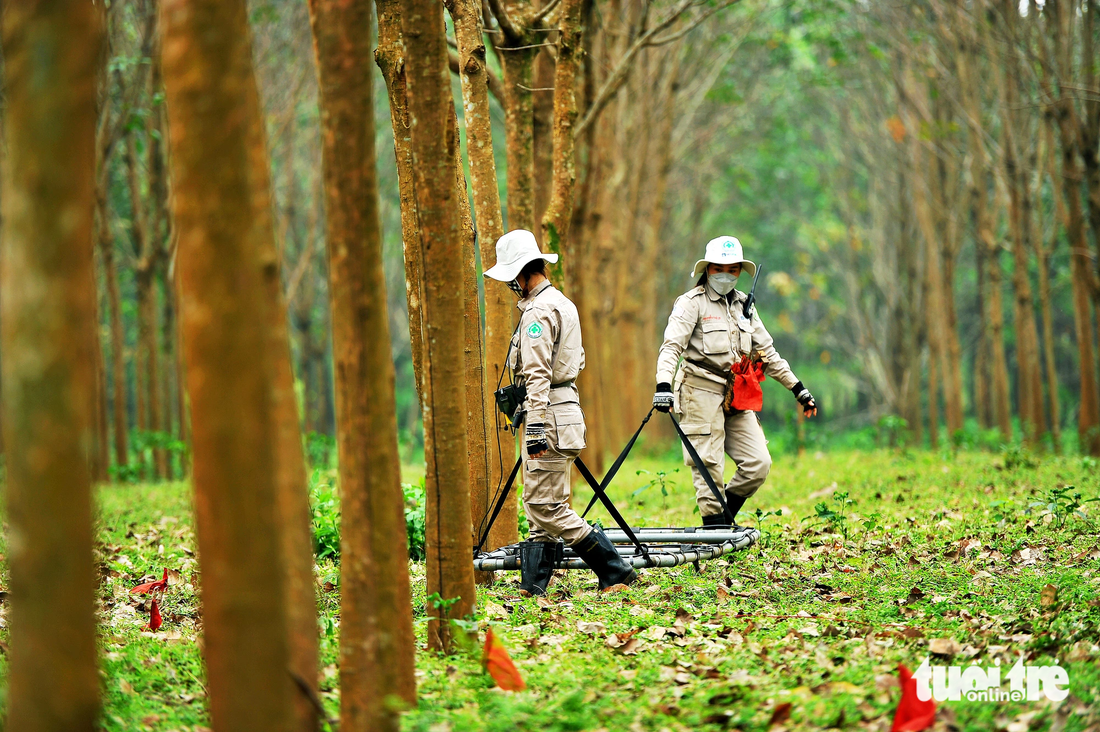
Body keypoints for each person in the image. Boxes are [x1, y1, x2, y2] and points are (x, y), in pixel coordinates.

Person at [484, 229, 637, 595]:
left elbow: (537, 374)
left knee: (544, 507)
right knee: (544, 505)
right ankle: (534, 587)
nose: (512, 287)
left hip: (547, 413)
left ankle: (615, 570)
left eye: (512, 280)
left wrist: (534, 426)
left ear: (523, 274)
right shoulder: (563, 303)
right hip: (563, 410)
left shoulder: (538, 311)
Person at [652, 236, 817, 528]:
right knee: (708, 466)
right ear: (707, 270)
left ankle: (722, 519)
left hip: (735, 392)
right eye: (718, 269)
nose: (725, 275)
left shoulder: (744, 306)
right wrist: (663, 387)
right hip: (698, 389)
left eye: (732, 269)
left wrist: (798, 389)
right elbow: (671, 347)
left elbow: (767, 353)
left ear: (740, 271)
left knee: (758, 464)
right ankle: (715, 529)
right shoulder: (692, 304)